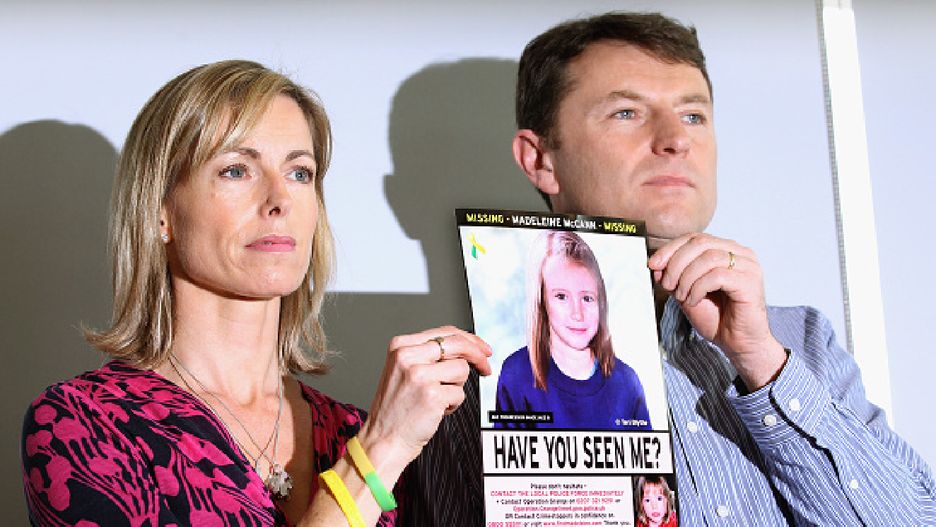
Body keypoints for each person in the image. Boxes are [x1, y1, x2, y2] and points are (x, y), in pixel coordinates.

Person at [400, 11, 936, 526]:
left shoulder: (803, 343)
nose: (676, 139)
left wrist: (763, 364)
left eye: (693, 115)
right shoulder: (461, 391)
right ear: (541, 161)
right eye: (627, 113)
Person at [21, 60, 491, 526]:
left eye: (300, 173)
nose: (280, 199)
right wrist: (377, 454)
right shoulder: (83, 426)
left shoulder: (352, 429)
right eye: (236, 170)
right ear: (161, 210)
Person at [494, 230, 651, 430]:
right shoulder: (517, 373)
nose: (577, 314)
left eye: (587, 298)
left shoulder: (627, 381)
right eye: (561, 296)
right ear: (541, 302)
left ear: (601, 303)